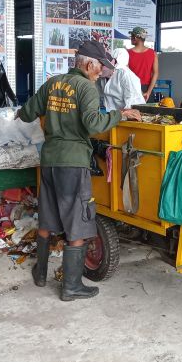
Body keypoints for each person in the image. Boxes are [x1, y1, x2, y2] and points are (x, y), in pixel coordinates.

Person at [19, 40, 141, 301]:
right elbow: (94, 124)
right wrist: (121, 114)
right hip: (72, 163)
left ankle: (40, 274)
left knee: (48, 218)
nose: (101, 74)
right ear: (88, 64)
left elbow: (27, 113)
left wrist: (54, 118)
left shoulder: (53, 83)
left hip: (49, 160)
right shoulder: (86, 87)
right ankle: (71, 286)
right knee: (79, 222)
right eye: (100, 69)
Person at [127, 27, 159, 101]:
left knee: (133, 112)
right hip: (148, 89)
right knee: (148, 112)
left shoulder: (127, 53)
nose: (131, 38)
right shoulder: (153, 53)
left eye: (131, 36)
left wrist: (139, 92)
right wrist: (148, 92)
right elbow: (155, 74)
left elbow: (127, 74)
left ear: (135, 38)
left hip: (132, 89)